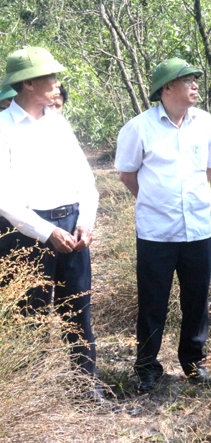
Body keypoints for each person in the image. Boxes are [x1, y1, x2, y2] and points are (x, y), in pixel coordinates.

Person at [115, 57, 211, 392]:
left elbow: (210, 169)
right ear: (167, 88)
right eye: (187, 79)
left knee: (196, 299)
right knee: (152, 302)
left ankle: (193, 362)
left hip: (197, 228)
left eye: (195, 79)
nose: (195, 85)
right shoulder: (139, 127)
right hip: (156, 232)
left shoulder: (205, 123)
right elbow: (127, 174)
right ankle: (147, 366)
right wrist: (154, 200)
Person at [0, 47, 101, 397]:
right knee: (30, 315)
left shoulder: (58, 123)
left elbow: (86, 179)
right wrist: (47, 232)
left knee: (79, 310)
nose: (58, 85)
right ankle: (32, 396)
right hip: (24, 233)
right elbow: (4, 198)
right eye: (51, 78)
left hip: (71, 225)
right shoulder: (2, 128)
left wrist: (85, 222)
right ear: (28, 83)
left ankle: (87, 387)